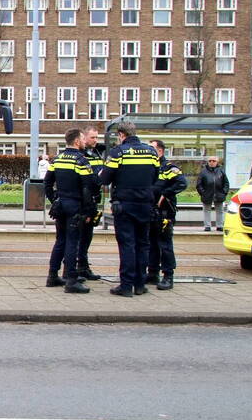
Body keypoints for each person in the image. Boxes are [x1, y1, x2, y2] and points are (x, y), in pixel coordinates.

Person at [99, 121, 160, 297]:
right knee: (143, 244)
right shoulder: (151, 152)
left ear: (121, 134)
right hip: (145, 204)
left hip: (124, 205)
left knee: (127, 245)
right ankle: (140, 284)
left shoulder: (118, 152)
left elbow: (105, 178)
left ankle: (126, 286)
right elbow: (155, 176)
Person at [44, 128, 99, 294]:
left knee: (60, 240)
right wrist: (89, 211)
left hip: (60, 205)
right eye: (82, 139)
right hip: (75, 206)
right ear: (76, 141)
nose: (84, 142)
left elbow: (47, 183)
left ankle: (52, 276)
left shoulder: (58, 159)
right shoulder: (81, 161)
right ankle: (71, 280)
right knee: (72, 242)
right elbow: (88, 187)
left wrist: (54, 200)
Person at [146, 139, 187, 290]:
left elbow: (182, 183)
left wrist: (165, 193)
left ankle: (168, 275)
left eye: (151, 148)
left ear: (160, 151)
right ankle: (152, 273)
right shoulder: (150, 167)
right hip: (151, 211)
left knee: (165, 245)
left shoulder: (169, 167)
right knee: (151, 243)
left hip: (164, 212)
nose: (148, 151)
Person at [76, 124, 104, 281]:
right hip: (83, 202)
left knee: (87, 237)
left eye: (97, 137)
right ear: (84, 137)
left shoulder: (95, 154)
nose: (95, 140)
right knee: (79, 237)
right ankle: (76, 268)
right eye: (93, 137)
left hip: (93, 200)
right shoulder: (81, 156)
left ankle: (84, 266)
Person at [196, 155, 229, 231]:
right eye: (210, 161)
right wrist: (203, 193)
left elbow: (226, 183)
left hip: (219, 194)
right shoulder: (203, 172)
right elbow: (199, 184)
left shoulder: (221, 171)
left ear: (217, 162)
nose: (211, 162)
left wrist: (224, 192)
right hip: (207, 195)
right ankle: (207, 226)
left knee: (220, 211)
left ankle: (219, 226)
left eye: (214, 161)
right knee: (206, 211)